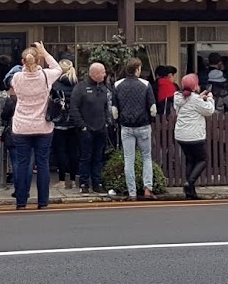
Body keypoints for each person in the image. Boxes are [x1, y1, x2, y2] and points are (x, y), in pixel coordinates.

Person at [11, 42, 63, 210]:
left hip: (22, 125)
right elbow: (58, 68)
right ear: (38, 60)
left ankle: (21, 201)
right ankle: (42, 201)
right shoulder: (46, 76)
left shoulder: (17, 78)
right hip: (43, 125)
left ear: (23, 61)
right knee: (42, 163)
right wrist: (45, 52)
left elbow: (13, 88)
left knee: (22, 163)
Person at [113, 57, 157, 201]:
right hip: (143, 125)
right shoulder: (145, 84)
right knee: (146, 157)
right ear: (137, 69)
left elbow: (114, 110)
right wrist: (151, 120)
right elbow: (153, 109)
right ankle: (147, 188)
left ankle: (132, 192)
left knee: (129, 159)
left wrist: (119, 121)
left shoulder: (118, 84)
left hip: (126, 127)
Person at [70, 61, 111, 195]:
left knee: (98, 157)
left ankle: (97, 183)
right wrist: (82, 126)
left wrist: (106, 122)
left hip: (100, 128)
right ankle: (83, 183)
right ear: (95, 74)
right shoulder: (80, 88)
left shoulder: (103, 88)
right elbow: (74, 108)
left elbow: (106, 107)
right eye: (103, 72)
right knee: (85, 157)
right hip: (86, 129)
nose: (105, 75)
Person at [173, 74, 215, 199]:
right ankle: (189, 183)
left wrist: (200, 97)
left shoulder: (177, 97)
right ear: (195, 85)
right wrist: (210, 98)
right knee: (203, 160)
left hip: (181, 135)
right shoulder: (195, 99)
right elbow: (209, 110)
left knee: (190, 160)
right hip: (195, 135)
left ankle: (190, 193)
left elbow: (188, 102)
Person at [52, 59, 80, 188]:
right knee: (73, 151)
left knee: (61, 151)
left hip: (60, 122)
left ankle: (62, 180)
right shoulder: (77, 84)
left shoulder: (56, 85)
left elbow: (52, 101)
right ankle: (73, 180)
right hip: (74, 122)